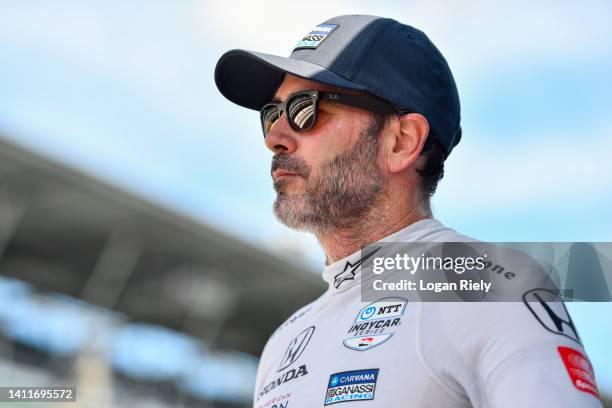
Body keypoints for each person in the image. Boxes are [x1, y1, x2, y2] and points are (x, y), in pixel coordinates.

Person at [214, 15, 602, 408]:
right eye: (272, 114)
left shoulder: (486, 285)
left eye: (304, 109)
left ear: (401, 142)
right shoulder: (284, 342)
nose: (275, 138)